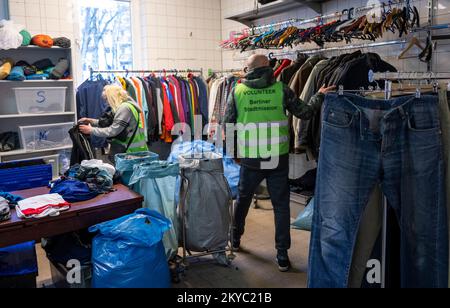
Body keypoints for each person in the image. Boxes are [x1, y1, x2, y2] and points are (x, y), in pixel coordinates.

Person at [224, 54, 335, 272]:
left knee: (243, 200)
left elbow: (228, 125)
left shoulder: (237, 91)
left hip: (251, 158)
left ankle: (235, 239)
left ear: (249, 69)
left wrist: (232, 154)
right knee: (281, 207)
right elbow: (305, 112)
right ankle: (282, 254)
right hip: (277, 158)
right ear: (268, 67)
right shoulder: (281, 89)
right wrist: (319, 96)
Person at [79, 85, 148, 162]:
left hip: (130, 151)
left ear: (112, 97)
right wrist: (91, 121)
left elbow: (113, 130)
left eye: (107, 99)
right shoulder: (123, 106)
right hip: (128, 149)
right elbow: (110, 122)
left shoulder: (124, 108)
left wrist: (91, 130)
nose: (106, 102)